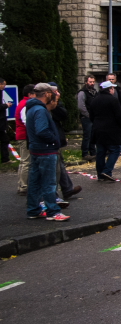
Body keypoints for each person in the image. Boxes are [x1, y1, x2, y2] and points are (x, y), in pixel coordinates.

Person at [25, 83, 69, 221]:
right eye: (51, 93)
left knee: (35, 181)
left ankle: (33, 209)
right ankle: (53, 211)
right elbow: (42, 130)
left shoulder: (31, 108)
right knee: (49, 182)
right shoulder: (40, 110)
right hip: (46, 150)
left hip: (36, 149)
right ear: (46, 94)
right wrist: (54, 141)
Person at [90, 80, 121, 182]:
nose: (113, 90)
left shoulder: (95, 100)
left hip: (98, 129)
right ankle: (107, 170)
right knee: (115, 150)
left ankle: (100, 174)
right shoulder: (113, 100)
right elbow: (119, 115)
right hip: (112, 129)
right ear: (110, 89)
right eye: (112, 88)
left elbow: (91, 116)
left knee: (101, 152)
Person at [14, 84, 35, 196]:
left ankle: (22, 184)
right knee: (26, 162)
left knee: (24, 161)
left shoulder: (23, 103)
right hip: (25, 136)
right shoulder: (26, 105)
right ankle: (24, 186)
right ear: (30, 94)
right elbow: (27, 122)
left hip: (22, 135)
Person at [76, 75, 97, 161]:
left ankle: (93, 152)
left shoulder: (94, 92)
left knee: (93, 135)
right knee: (87, 136)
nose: (92, 83)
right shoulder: (82, 92)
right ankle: (85, 153)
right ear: (86, 82)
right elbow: (81, 106)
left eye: (93, 82)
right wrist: (88, 115)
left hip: (93, 116)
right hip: (86, 117)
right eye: (90, 82)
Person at [0, 78, 12, 163]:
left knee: (5, 139)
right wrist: (6, 105)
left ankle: (5, 158)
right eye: (3, 84)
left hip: (2, 120)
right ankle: (5, 158)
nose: (5, 86)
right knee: (4, 140)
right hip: (0, 122)